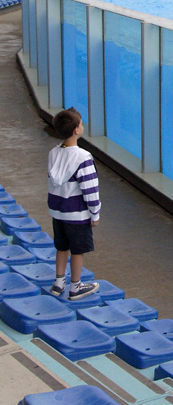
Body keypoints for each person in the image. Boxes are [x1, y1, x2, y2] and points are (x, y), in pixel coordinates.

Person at [47, 107, 100, 300]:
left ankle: (58, 282)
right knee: (77, 251)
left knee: (61, 247)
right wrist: (95, 214)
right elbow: (90, 189)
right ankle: (75, 287)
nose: (82, 125)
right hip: (77, 214)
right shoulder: (83, 157)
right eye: (81, 123)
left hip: (58, 212)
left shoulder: (53, 153)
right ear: (76, 130)